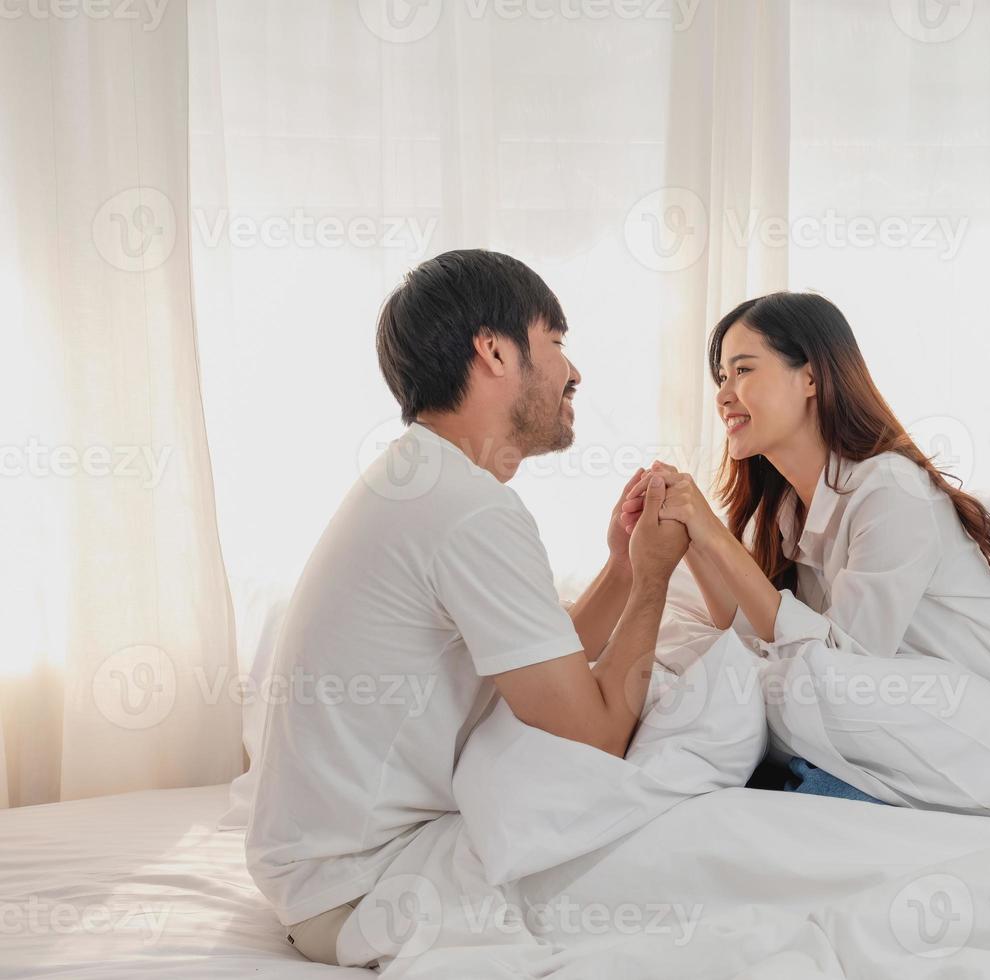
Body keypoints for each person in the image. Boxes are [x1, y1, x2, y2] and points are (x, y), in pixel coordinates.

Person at [245, 249, 690, 964]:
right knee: (680, 863)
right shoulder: (467, 510)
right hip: (363, 887)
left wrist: (618, 566)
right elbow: (595, 734)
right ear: (493, 350)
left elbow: (542, 674)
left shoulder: (422, 480)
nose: (574, 372)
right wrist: (653, 581)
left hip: (316, 875)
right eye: (555, 342)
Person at [621, 291, 990, 803]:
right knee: (727, 758)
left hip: (988, 731)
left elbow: (847, 666)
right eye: (721, 378)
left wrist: (712, 532)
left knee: (782, 795)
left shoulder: (891, 489)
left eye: (743, 371)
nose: (723, 395)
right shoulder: (787, 510)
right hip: (888, 723)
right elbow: (759, 628)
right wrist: (689, 534)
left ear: (811, 377)